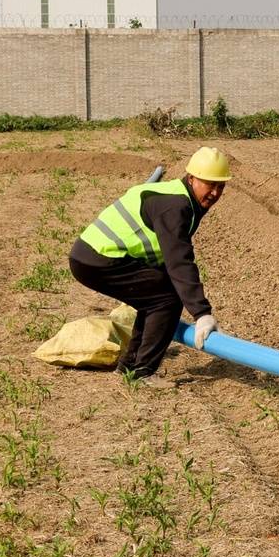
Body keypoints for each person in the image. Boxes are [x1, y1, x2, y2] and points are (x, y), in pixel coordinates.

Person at [67, 147, 231, 388]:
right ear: (192, 178)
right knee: (165, 298)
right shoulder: (176, 206)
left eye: (220, 186)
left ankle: (129, 368)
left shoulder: (180, 196)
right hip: (98, 259)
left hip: (93, 255)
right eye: (209, 184)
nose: (215, 192)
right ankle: (143, 372)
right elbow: (179, 260)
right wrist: (202, 313)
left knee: (157, 294)